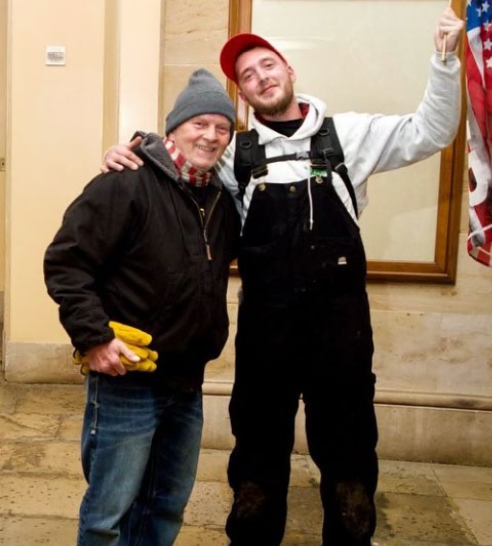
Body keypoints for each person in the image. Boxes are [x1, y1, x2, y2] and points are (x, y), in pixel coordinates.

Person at [102, 8, 464, 546]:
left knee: (348, 457)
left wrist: (444, 60)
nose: (260, 77)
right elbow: (181, 159)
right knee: (257, 458)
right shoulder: (236, 157)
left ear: (288, 70)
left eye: (267, 65)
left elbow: (431, 131)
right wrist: (128, 151)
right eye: (247, 76)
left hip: (340, 333)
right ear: (243, 96)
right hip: (266, 332)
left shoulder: (351, 137)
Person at [45, 69, 241, 546]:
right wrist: (93, 338)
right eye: (200, 124)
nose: (211, 136)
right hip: (127, 380)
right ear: (174, 128)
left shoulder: (221, 197)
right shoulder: (124, 183)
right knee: (108, 514)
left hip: (187, 382)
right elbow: (67, 263)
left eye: (222, 128)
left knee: (166, 507)